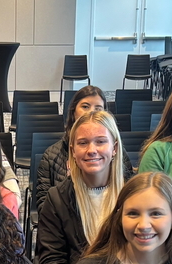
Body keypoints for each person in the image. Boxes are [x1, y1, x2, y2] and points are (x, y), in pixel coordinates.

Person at [37, 109, 127, 264]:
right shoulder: (57, 198)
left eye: (100, 141)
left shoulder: (133, 197)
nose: (91, 150)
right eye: (83, 143)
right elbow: (52, 261)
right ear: (73, 151)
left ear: (114, 148)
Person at [35, 85, 134, 213]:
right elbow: (44, 209)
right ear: (73, 111)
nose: (91, 112)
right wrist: (71, 185)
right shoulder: (51, 155)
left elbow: (131, 197)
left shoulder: (118, 154)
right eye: (85, 107)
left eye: (98, 108)